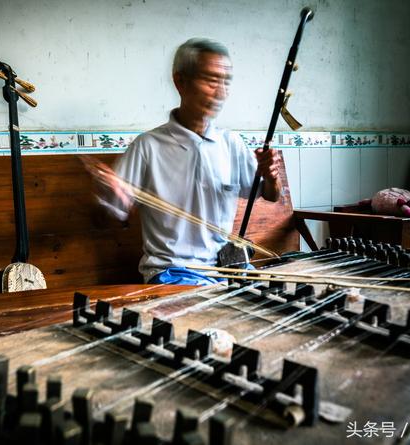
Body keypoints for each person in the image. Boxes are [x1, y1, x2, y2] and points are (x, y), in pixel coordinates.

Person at [94, 38, 281, 285]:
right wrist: (112, 191)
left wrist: (271, 176)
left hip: (226, 269)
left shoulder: (231, 143)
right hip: (173, 273)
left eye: (226, 82)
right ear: (180, 81)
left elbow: (270, 195)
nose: (221, 92)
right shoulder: (148, 146)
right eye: (211, 80)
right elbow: (113, 208)